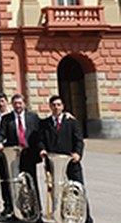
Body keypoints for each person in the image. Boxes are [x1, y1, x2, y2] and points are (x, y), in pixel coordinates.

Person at [39, 95, 93, 223]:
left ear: (62, 106)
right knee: (57, 192)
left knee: (79, 190)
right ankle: (60, 216)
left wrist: (78, 154)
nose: (56, 107)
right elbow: (40, 140)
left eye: (58, 105)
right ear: (50, 107)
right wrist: (42, 149)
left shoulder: (72, 122)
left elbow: (79, 140)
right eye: (53, 105)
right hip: (54, 163)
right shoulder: (44, 123)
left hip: (71, 162)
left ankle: (86, 219)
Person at [0, 93, 43, 218]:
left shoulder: (33, 117)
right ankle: (18, 212)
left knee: (32, 183)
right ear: (12, 105)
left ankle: (36, 211)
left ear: (24, 104)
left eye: (20, 103)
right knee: (16, 185)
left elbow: (43, 130)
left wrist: (65, 115)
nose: (18, 105)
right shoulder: (7, 118)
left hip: (29, 155)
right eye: (15, 103)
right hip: (14, 156)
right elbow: (1, 133)